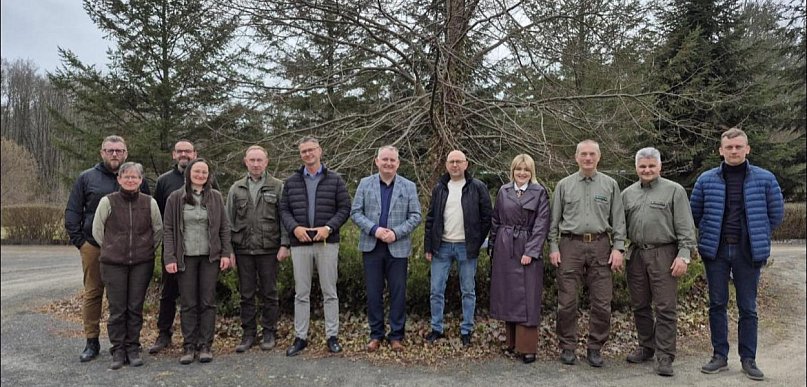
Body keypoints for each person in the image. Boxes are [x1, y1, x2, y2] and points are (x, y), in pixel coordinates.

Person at [691, 128, 784, 381]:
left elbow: (776, 214)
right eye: (729, 147)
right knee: (717, 304)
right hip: (716, 251)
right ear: (721, 150)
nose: (734, 151)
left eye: (738, 147)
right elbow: (695, 213)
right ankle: (719, 356)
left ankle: (748, 359)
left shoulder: (765, 179)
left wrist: (757, 234)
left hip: (748, 251)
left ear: (747, 149)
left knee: (748, 307)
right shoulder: (706, 180)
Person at [64, 135, 150, 362]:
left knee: (126, 298)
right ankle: (91, 341)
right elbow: (73, 212)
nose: (114, 154)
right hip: (94, 246)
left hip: (129, 250)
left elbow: (148, 212)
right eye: (110, 150)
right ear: (102, 152)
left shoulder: (136, 177)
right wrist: (81, 242)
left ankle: (127, 344)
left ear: (126, 153)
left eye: (119, 150)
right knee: (93, 293)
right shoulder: (87, 178)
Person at [548, 139, 626, 367]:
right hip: (570, 245)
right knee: (567, 301)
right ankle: (567, 346)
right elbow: (553, 221)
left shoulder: (610, 185)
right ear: (576, 157)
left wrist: (618, 247)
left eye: (592, 154)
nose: (588, 158)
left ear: (599, 157)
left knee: (602, 302)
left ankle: (595, 347)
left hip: (601, 245)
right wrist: (553, 247)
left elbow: (618, 219)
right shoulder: (564, 185)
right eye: (583, 154)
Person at [621, 147, 697, 376]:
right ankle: (646, 346)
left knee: (665, 306)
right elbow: (619, 227)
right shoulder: (627, 194)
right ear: (636, 168)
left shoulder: (674, 191)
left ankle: (665, 356)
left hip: (664, 254)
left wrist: (684, 255)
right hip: (636, 254)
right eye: (643, 166)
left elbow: (686, 226)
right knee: (640, 304)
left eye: (651, 166)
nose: (647, 170)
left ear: (660, 166)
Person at [279, 136, 351, 356]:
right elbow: (283, 210)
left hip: (327, 243)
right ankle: (300, 337)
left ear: (320, 151)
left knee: (330, 291)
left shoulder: (335, 179)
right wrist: (294, 228)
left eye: (311, 149)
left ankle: (332, 336)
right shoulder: (291, 181)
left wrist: (328, 228)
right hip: (300, 243)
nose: (308, 154)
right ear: (300, 155)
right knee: (301, 293)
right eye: (304, 151)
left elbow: (345, 208)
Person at [350, 145, 422, 353]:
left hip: (397, 247)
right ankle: (376, 334)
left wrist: (396, 233)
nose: (388, 163)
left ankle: (396, 335)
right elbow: (355, 212)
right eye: (385, 159)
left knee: (398, 293)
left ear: (398, 163)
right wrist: (375, 230)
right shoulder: (365, 184)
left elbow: (416, 216)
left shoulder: (408, 186)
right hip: (372, 247)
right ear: (377, 161)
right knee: (373, 293)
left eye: (392, 160)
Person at [91, 162, 162, 370]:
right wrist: (111, 247)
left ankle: (133, 348)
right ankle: (118, 349)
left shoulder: (149, 202)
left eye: (135, 177)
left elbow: (157, 230)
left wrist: (145, 248)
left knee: (135, 307)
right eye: (126, 177)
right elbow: (97, 231)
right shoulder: (108, 201)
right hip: (113, 264)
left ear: (140, 180)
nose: (130, 180)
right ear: (119, 179)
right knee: (117, 308)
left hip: (142, 263)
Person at [163, 158, 233, 365]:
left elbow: (224, 227)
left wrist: (226, 253)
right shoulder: (175, 198)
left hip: (210, 258)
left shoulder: (216, 197)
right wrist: (169, 257)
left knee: (207, 302)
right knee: (188, 303)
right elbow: (168, 229)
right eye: (197, 171)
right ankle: (189, 345)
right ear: (189, 174)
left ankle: (205, 345)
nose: (200, 175)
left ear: (209, 175)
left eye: (204, 172)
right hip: (185, 258)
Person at [423, 150, 492, 347]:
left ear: (466, 164)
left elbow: (487, 217)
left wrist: (477, 241)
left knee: (468, 290)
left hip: (466, 247)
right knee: (436, 290)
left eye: (458, 161)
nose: (455, 165)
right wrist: (428, 246)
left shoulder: (477, 187)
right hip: (441, 246)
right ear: (446, 165)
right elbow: (430, 218)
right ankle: (436, 328)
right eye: (451, 161)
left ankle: (466, 330)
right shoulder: (439, 188)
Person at [227, 145, 290, 353]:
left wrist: (284, 244)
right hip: (243, 249)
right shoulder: (236, 188)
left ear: (266, 162)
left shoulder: (278, 186)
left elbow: (285, 218)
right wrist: (229, 251)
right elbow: (228, 221)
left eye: (259, 160)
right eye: (252, 160)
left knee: (269, 293)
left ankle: (269, 332)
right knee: (246, 294)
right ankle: (248, 334)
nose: (255, 164)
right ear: (245, 162)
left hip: (269, 248)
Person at [488, 154, 550, 364]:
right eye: (518, 169)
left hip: (526, 245)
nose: (522, 173)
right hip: (505, 247)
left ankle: (527, 347)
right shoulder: (504, 191)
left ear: (532, 172)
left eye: (526, 170)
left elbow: (542, 224)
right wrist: (493, 247)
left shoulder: (539, 192)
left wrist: (531, 251)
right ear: (512, 171)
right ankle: (512, 342)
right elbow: (496, 220)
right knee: (508, 295)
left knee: (528, 296)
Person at [149, 140, 197, 354]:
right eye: (180, 151)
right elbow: (158, 215)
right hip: (172, 246)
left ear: (195, 154)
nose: (184, 154)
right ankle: (164, 333)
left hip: (198, 248)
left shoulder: (204, 177)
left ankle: (195, 336)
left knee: (196, 294)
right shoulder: (164, 181)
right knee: (168, 293)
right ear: (173, 154)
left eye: (188, 151)